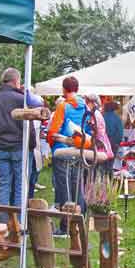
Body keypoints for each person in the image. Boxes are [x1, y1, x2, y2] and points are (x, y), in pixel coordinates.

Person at [0, 68, 35, 222]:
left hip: (2, 148)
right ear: (16, 81)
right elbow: (29, 128)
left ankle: (3, 223)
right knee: (20, 185)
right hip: (19, 147)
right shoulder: (22, 99)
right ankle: (17, 223)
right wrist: (31, 145)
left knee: (4, 184)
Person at [47, 76, 88, 236]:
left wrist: (52, 144)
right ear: (76, 88)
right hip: (79, 149)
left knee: (64, 189)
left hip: (62, 150)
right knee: (78, 186)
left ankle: (66, 227)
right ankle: (80, 222)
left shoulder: (63, 107)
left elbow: (53, 130)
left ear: (64, 89)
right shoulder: (85, 106)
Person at [85, 94, 114, 160]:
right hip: (99, 141)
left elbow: (97, 130)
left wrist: (90, 126)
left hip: (98, 143)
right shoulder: (95, 113)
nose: (85, 104)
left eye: (87, 102)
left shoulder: (95, 114)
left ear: (92, 103)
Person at [103, 101, 123, 169]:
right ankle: (108, 176)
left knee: (101, 164)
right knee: (110, 164)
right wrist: (117, 143)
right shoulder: (117, 118)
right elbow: (120, 133)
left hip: (102, 144)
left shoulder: (102, 116)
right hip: (113, 144)